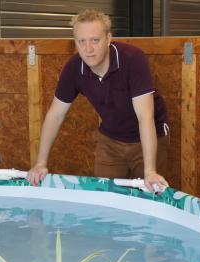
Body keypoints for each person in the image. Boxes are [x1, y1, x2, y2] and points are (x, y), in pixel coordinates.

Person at [26, 9, 170, 193]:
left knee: (148, 195)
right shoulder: (73, 68)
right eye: (82, 41)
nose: (88, 49)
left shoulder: (133, 59)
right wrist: (40, 163)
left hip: (148, 137)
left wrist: (150, 171)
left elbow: (145, 117)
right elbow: (55, 115)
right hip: (110, 140)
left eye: (95, 40)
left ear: (108, 39)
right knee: (104, 195)